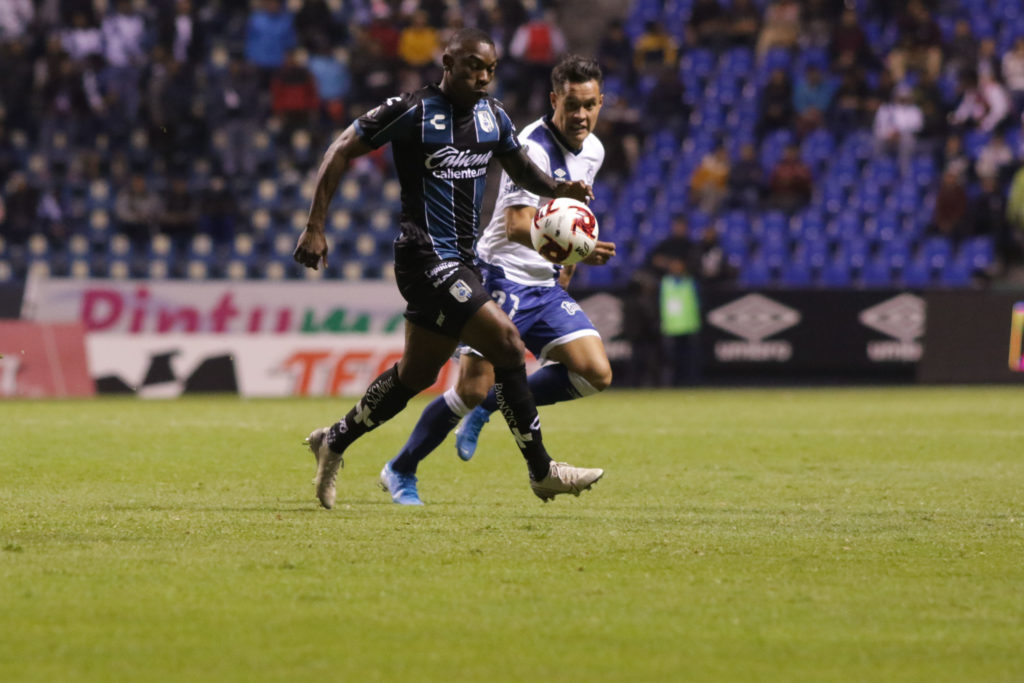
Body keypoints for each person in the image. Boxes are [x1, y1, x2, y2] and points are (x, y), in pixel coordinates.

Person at [292, 29, 603, 509]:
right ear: (447, 63)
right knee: (505, 343)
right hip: (422, 257)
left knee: (413, 376)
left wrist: (558, 190)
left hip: (464, 262)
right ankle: (542, 470)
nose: (481, 77)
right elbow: (340, 151)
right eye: (472, 67)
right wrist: (315, 226)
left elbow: (521, 171)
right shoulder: (411, 110)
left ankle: (334, 439)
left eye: (489, 69)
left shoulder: (493, 117)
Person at [378, 54, 616, 505]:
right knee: (470, 387)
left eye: (589, 104)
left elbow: (568, 218)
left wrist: (566, 264)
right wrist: (576, 250)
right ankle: (400, 469)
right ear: (554, 100)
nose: (580, 115)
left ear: (601, 102)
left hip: (541, 284)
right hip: (500, 275)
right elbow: (516, 224)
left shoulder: (595, 151)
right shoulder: (532, 146)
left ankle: (492, 407)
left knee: (595, 372)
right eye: (571, 104)